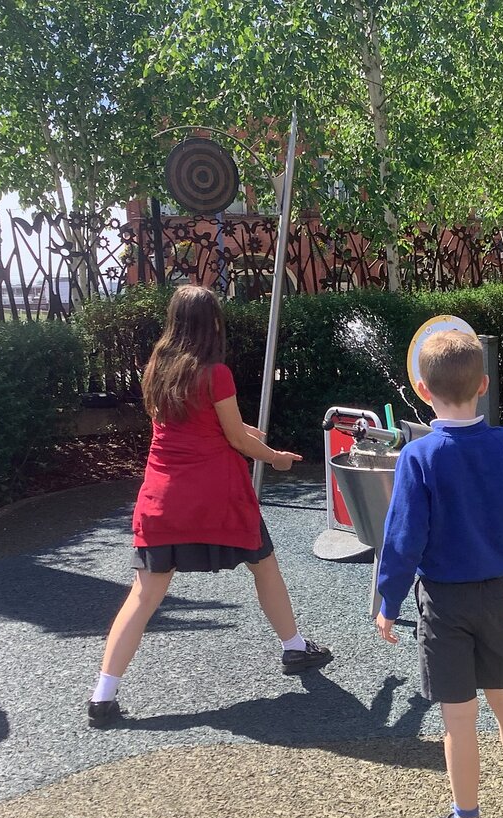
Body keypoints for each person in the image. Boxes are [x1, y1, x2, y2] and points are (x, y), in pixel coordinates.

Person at [87, 286, 332, 728]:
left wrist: (247, 431)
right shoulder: (215, 373)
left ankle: (103, 695)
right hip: (218, 496)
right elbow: (234, 439)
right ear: (212, 323)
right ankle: (294, 647)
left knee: (143, 596)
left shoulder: (157, 367)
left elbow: (204, 423)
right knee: (265, 567)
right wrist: (275, 457)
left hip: (163, 498)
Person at [373, 329, 503, 818]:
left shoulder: (418, 456)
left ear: (422, 390)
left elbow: (403, 539)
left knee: (459, 718)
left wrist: (388, 601)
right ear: (484, 385)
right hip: (497, 595)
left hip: (443, 604)